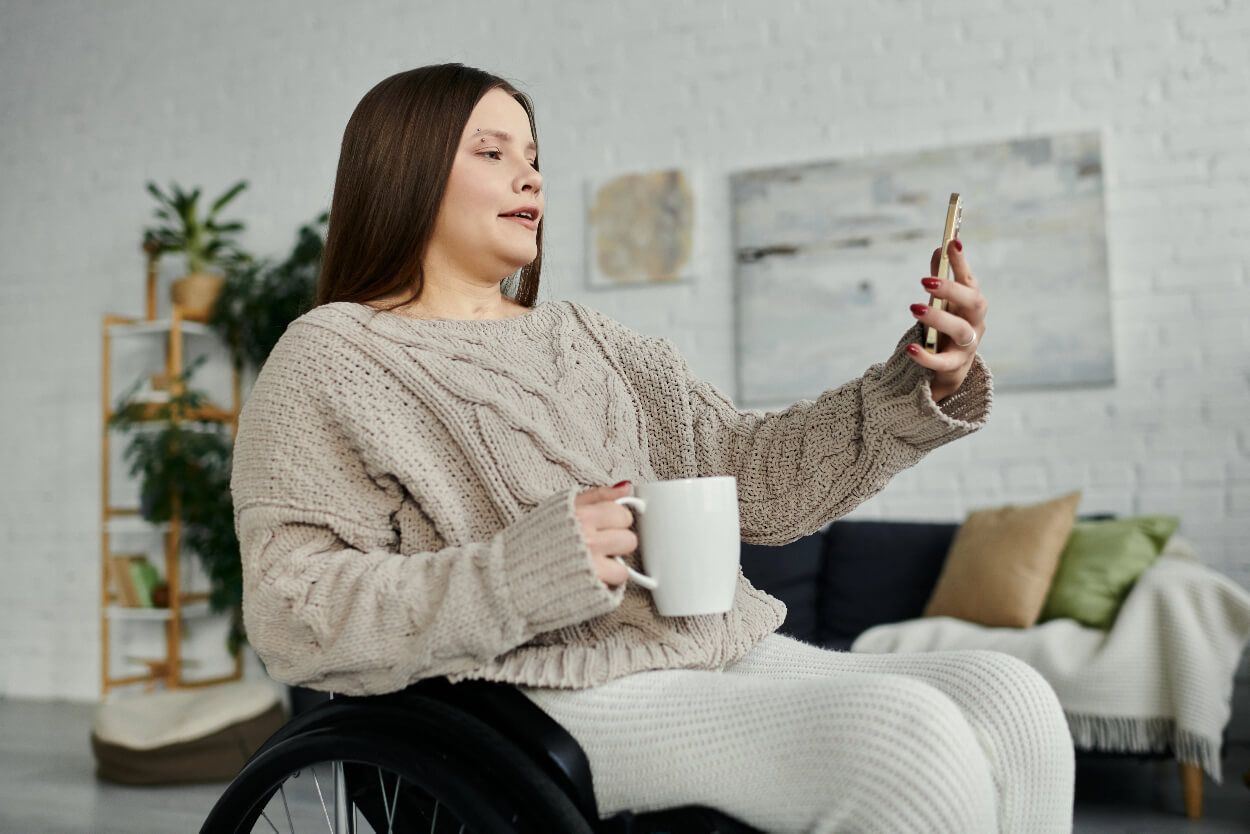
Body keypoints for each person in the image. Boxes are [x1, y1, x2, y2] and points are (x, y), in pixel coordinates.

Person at [230, 63, 1074, 833]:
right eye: (491, 152)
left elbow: (760, 483)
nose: (529, 174)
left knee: (1015, 699)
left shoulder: (589, 339)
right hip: (530, 694)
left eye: (533, 155)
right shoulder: (333, 354)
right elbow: (289, 610)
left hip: (707, 647)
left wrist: (917, 384)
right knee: (910, 746)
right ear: (402, 168)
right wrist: (522, 571)